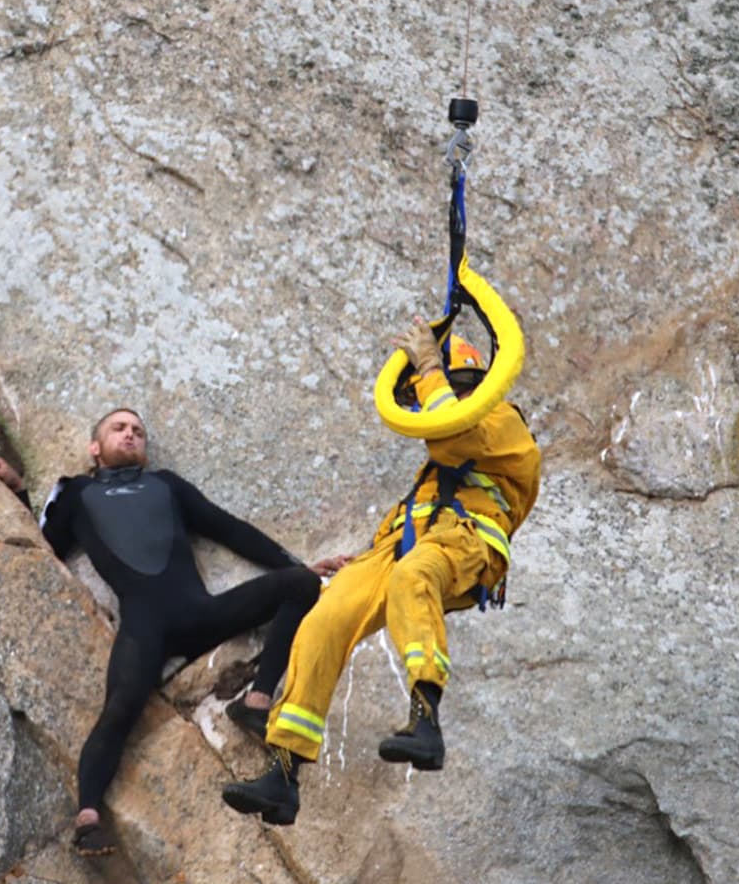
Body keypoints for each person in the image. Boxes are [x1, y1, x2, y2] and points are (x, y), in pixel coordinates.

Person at [0, 408, 341, 855]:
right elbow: (43, 546)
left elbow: (229, 529)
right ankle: (88, 818)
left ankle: (256, 702)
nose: (130, 434)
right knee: (118, 710)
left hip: (204, 615)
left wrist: (294, 564)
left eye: (138, 431)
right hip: (146, 630)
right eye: (119, 428)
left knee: (300, 585)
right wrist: (17, 488)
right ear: (95, 447)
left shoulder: (167, 485)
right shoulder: (75, 493)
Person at [221, 318, 541, 826]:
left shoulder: (503, 422)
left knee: (412, 579)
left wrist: (429, 366)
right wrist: (365, 557)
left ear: (471, 385)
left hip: (466, 542)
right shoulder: (442, 456)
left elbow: (450, 439)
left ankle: (426, 720)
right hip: (403, 544)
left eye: (443, 385)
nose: (431, 394)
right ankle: (283, 774)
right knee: (326, 618)